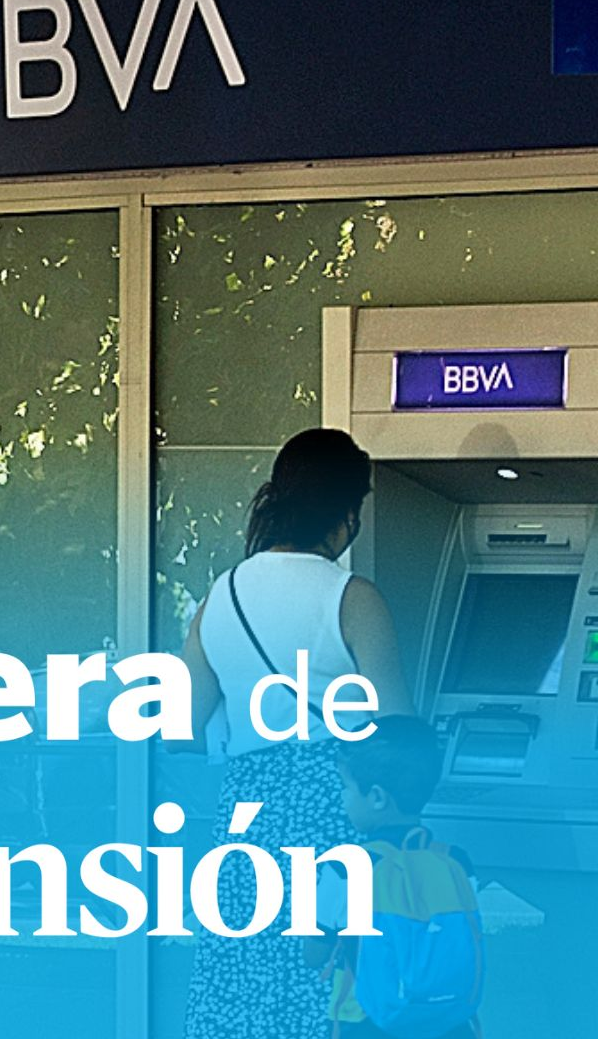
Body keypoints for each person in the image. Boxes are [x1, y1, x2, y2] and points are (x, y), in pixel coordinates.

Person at [177, 428, 414, 1039]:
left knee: (241, 986)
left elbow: (184, 723)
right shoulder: (352, 597)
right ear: (346, 512)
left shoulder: (219, 598)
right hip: (334, 809)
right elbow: (398, 729)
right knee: (326, 987)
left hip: (244, 818)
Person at [308, 717, 480, 1039]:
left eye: (346, 788)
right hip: (448, 1022)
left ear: (377, 796)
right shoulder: (457, 861)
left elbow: (313, 955)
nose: (343, 799)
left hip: (368, 1021)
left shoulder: (345, 866)